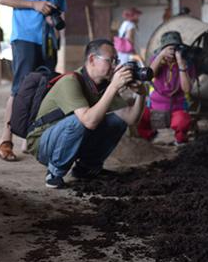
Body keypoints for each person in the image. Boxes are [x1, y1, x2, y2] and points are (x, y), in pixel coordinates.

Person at [26, 39, 148, 189]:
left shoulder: (103, 85)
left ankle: (87, 168)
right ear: (92, 59)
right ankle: (54, 172)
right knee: (80, 121)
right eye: (110, 61)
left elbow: (130, 119)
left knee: (117, 121)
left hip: (70, 138)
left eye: (116, 61)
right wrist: (114, 87)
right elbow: (88, 121)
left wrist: (142, 94)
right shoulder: (70, 81)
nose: (115, 66)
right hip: (43, 142)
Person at [0, 0, 67, 161]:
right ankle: (5, 140)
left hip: (49, 41)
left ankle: (31, 139)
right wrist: (33, 4)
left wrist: (53, 20)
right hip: (25, 39)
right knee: (20, 89)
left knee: (44, 89)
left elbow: (61, 10)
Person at [136, 31, 196, 145]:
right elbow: (149, 75)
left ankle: (179, 141)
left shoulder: (187, 63)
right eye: (169, 48)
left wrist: (181, 64)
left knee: (182, 121)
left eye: (175, 48)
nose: (172, 52)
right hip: (154, 106)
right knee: (139, 118)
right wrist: (160, 56)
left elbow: (187, 89)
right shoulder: (157, 59)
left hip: (177, 106)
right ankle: (150, 138)